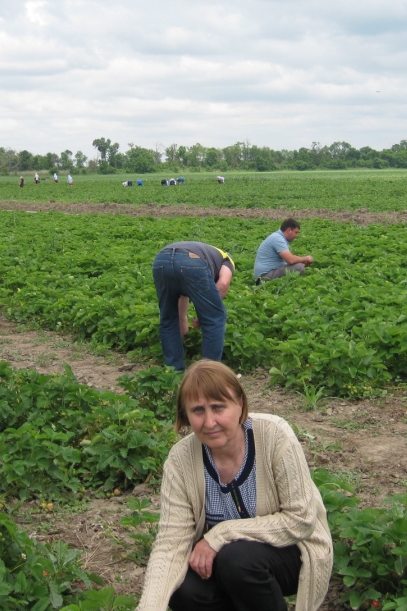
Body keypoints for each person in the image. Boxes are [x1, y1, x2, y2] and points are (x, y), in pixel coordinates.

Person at [136, 361, 332, 611]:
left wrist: (220, 535)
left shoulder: (274, 435)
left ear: (240, 404)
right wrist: (149, 607)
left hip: (291, 551)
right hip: (225, 563)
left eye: (218, 407)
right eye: (197, 410)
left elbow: (301, 520)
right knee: (181, 588)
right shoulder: (181, 460)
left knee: (237, 559)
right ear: (185, 416)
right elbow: (170, 544)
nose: (209, 422)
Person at [153, 242, 235, 371]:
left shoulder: (208, 252)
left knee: (168, 318)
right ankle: (209, 372)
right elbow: (223, 284)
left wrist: (184, 323)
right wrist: (206, 314)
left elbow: (181, 297)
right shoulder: (227, 260)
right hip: (192, 262)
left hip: (161, 259)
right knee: (215, 318)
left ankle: (173, 371)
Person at [253, 218, 314, 283]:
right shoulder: (277, 239)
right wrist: (306, 258)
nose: (296, 235)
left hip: (268, 273)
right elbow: (291, 260)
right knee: (299, 268)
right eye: (296, 232)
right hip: (264, 276)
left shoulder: (278, 237)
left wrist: (301, 262)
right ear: (289, 230)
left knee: (298, 265)